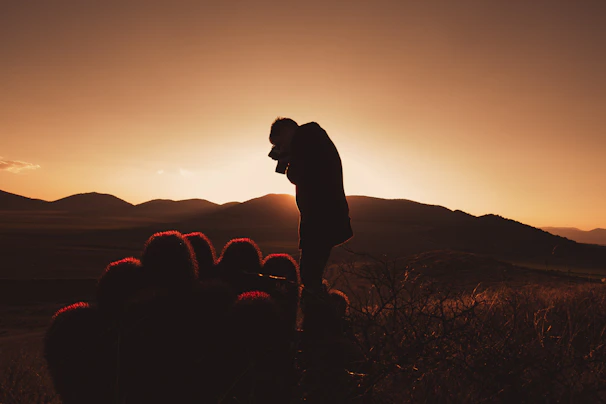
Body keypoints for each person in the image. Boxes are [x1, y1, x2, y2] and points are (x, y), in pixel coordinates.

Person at [268, 117, 353, 298]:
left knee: (310, 277)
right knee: (311, 274)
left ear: (286, 132)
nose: (280, 148)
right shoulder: (311, 140)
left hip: (322, 221)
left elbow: (298, 175)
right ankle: (318, 314)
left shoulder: (309, 137)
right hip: (323, 219)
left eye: (279, 143)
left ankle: (318, 318)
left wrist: (285, 159)